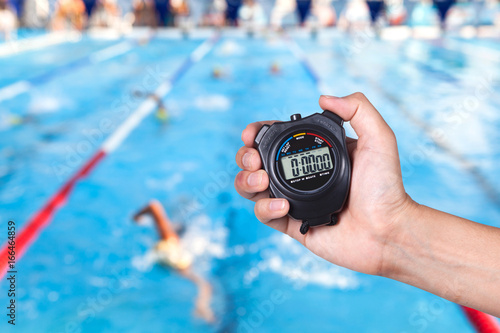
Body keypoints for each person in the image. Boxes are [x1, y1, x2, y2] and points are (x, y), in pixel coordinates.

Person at [234, 93, 500, 318]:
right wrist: (391, 235)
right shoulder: (326, 129)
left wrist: (392, 232)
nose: (306, 167)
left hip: (327, 200)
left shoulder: (298, 140)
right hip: (310, 205)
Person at [133, 200, 215, 322]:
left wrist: (136, 216)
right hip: (173, 260)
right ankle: (202, 306)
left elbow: (153, 205)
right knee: (201, 282)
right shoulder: (173, 242)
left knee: (200, 281)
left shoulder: (168, 236)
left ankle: (203, 307)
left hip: (169, 257)